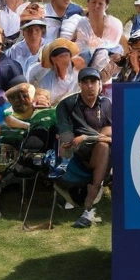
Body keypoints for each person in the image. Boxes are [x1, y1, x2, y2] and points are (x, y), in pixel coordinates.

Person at [55, 67, 111, 228]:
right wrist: (73, 141)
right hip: (78, 155)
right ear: (79, 85)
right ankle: (89, 207)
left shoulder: (106, 104)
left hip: (101, 152)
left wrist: (85, 137)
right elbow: (66, 138)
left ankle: (88, 207)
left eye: (93, 82)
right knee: (103, 145)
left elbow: (111, 134)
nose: (90, 86)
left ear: (100, 84)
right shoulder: (67, 104)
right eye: (85, 82)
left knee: (104, 147)